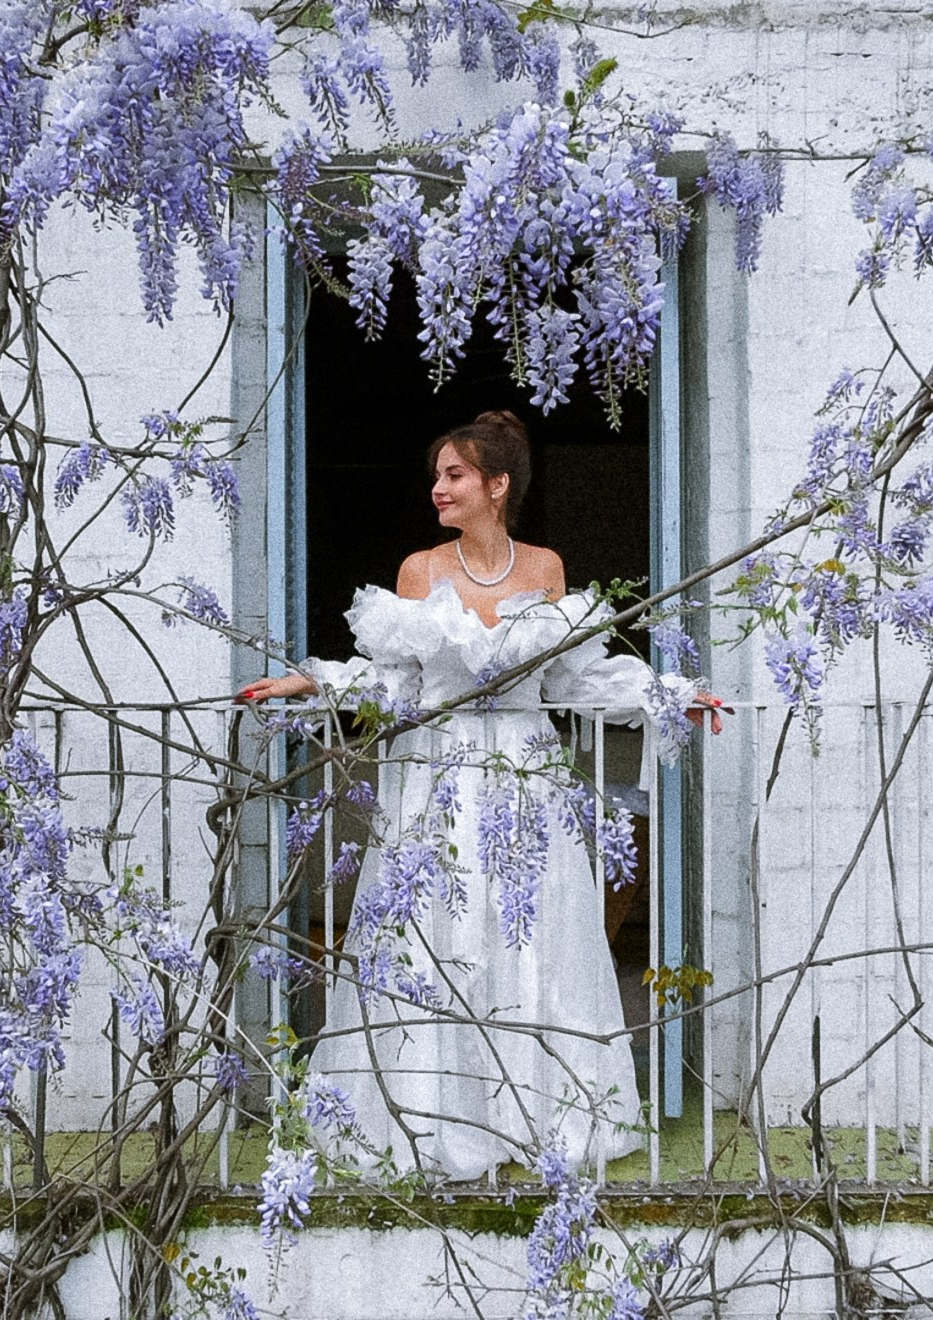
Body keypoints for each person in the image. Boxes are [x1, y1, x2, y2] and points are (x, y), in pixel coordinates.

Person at [239, 409, 727, 1181]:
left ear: (497, 485)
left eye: (455, 475)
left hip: (526, 780)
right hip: (438, 779)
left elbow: (567, 680)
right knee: (441, 933)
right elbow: (397, 683)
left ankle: (530, 1120)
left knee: (529, 933)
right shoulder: (419, 572)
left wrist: (669, 694)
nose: (439, 489)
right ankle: (435, 1122)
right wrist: (315, 679)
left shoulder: (545, 570)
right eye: (437, 477)